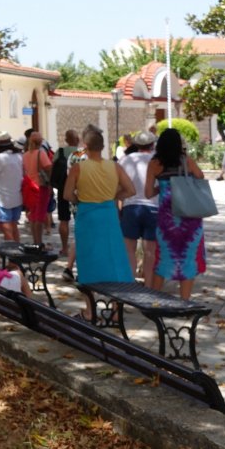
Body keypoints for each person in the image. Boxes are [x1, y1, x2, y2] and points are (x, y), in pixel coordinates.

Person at [64, 125, 133, 317]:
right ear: (103, 146)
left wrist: (80, 199)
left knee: (87, 260)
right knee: (114, 259)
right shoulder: (115, 166)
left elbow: (67, 193)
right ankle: (117, 309)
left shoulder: (78, 168)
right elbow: (131, 190)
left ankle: (89, 309)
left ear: (85, 146)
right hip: (109, 215)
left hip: (87, 215)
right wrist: (113, 196)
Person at [147, 128, 207, 300]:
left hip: (166, 219)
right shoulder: (186, 160)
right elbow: (200, 177)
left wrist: (163, 187)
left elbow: (148, 193)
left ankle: (155, 300)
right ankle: (184, 301)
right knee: (188, 258)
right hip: (190, 217)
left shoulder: (154, 163)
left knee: (163, 257)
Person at [119, 131, 158, 283]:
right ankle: (148, 286)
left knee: (129, 249)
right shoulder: (157, 160)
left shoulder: (126, 160)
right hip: (153, 207)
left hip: (131, 206)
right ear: (152, 144)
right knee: (150, 252)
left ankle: (130, 282)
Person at [0, 132, 24, 242]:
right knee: (14, 224)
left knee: (6, 225)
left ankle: (12, 252)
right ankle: (17, 249)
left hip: (3, 196)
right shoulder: (19, 156)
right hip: (18, 195)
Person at [51, 129, 79, 258]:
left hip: (63, 189)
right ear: (77, 140)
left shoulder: (60, 152)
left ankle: (64, 248)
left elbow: (52, 169)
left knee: (63, 220)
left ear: (66, 140)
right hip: (78, 191)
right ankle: (79, 246)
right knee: (79, 220)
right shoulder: (81, 154)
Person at [21, 132, 53, 245]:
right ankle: (39, 243)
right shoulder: (41, 153)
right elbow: (48, 167)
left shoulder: (25, 155)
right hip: (40, 187)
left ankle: (35, 242)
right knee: (39, 217)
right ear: (40, 142)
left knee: (33, 216)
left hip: (29, 188)